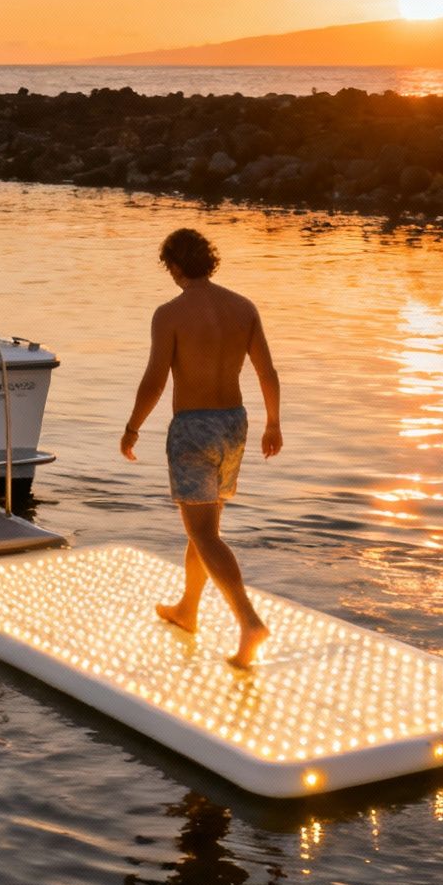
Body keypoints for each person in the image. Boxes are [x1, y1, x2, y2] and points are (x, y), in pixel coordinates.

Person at [119, 228, 281, 670]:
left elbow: (155, 380)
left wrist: (133, 427)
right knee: (205, 524)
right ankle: (188, 609)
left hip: (193, 427)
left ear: (174, 265)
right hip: (235, 422)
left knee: (204, 532)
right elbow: (267, 371)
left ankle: (249, 622)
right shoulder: (243, 307)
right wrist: (273, 422)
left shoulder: (170, 313)